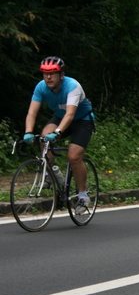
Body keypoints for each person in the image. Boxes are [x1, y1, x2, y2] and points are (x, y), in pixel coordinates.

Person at [23, 56, 95, 214]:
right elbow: (32, 112)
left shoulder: (72, 86)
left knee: (74, 157)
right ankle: (52, 172)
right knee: (43, 136)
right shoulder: (41, 87)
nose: (48, 77)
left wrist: (57, 132)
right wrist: (28, 132)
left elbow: (70, 114)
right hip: (61, 117)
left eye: (53, 73)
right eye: (45, 73)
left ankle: (83, 196)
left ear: (61, 74)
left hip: (82, 120)